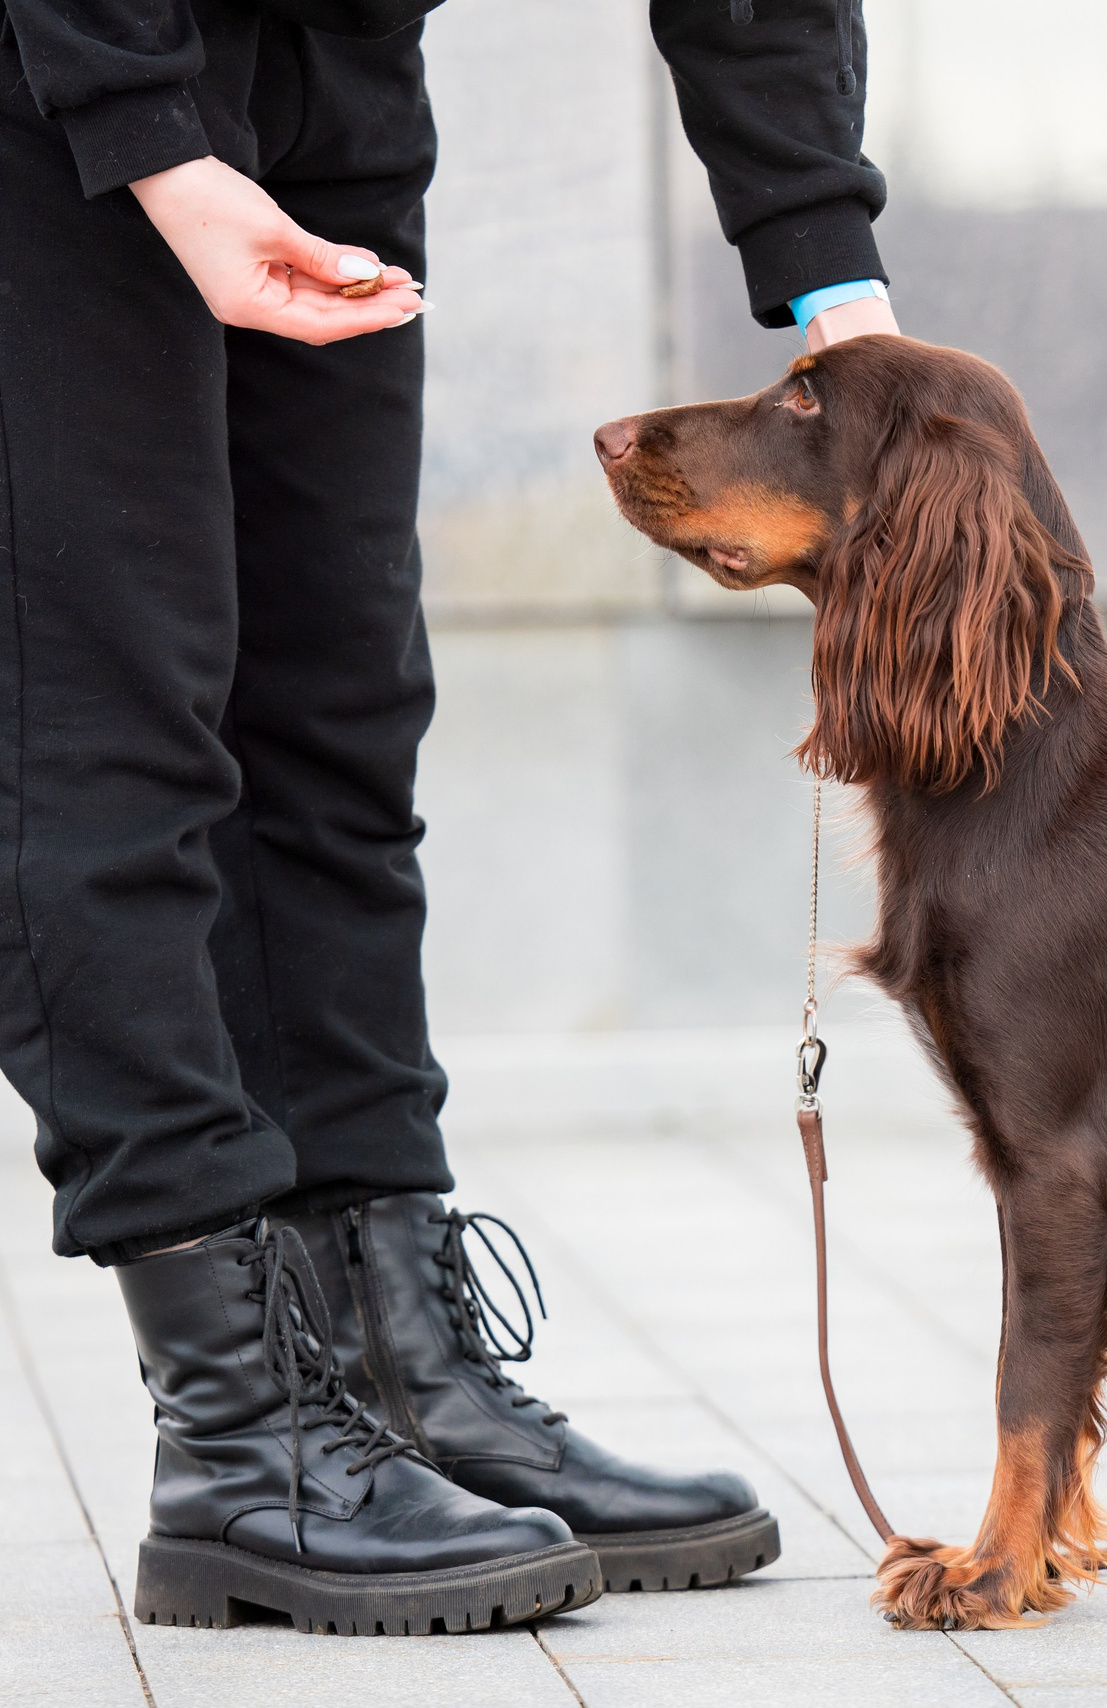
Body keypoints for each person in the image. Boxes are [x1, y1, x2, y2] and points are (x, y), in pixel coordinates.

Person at [0, 0, 894, 1633]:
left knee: (335, 715)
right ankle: (237, 1438)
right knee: (97, 738)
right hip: (54, 73)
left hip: (328, 69)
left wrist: (831, 270)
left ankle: (397, 1365)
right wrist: (149, 137)